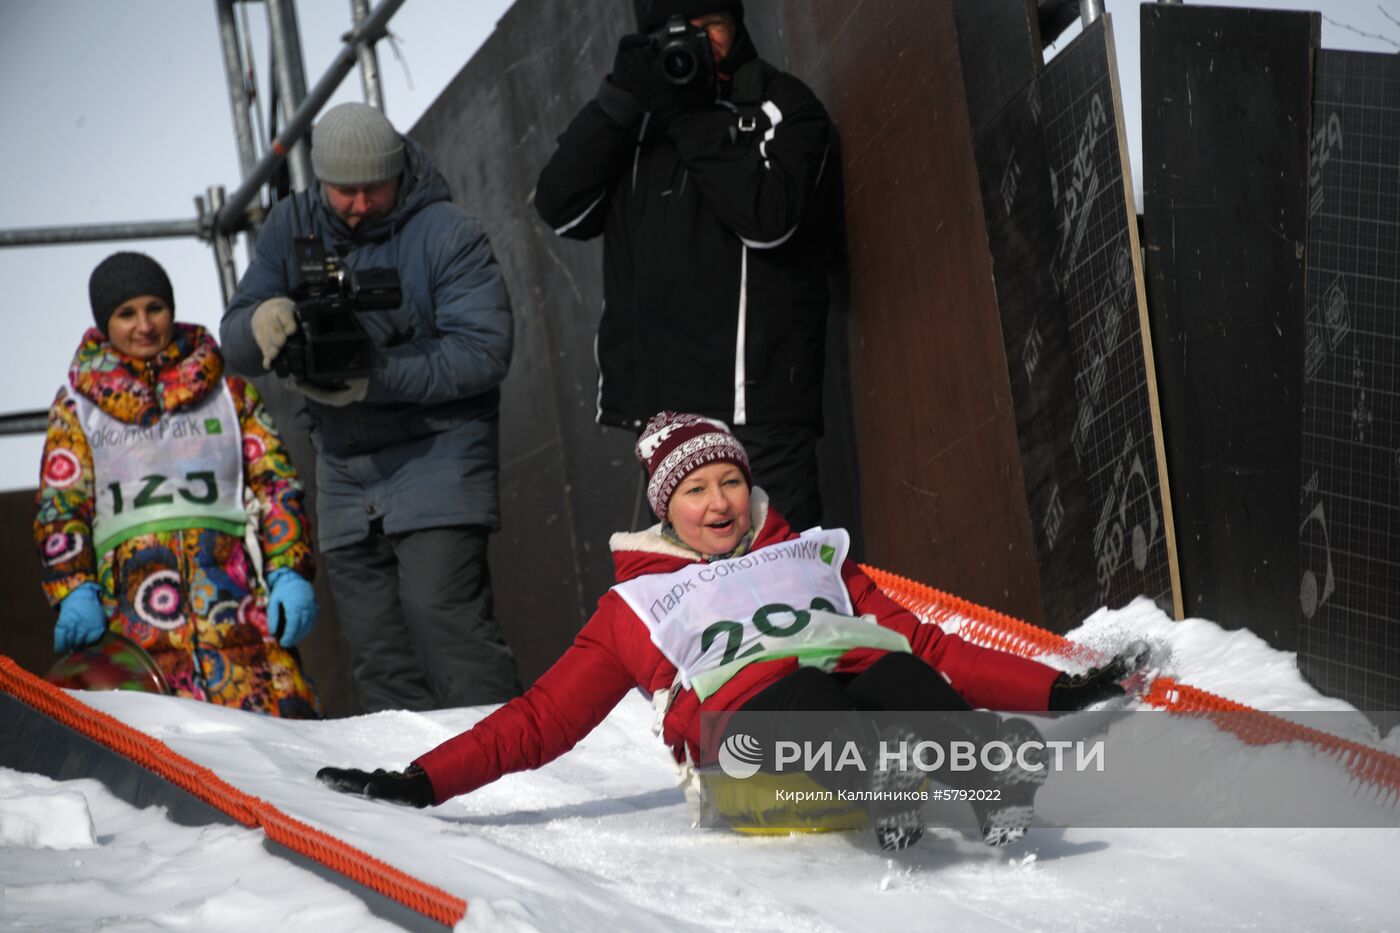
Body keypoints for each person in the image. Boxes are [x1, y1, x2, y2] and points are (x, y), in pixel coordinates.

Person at [317, 412, 1142, 850]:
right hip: (749, 764)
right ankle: (882, 782)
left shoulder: (809, 556)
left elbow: (929, 647)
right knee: (804, 687)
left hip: (854, 728)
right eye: (695, 490)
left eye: (730, 482)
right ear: (664, 509)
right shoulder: (635, 607)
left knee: (890, 670)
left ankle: (988, 780)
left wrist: (1058, 690)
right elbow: (541, 719)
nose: (719, 503)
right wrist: (422, 780)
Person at [219, 102, 521, 712]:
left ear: (400, 171)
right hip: (343, 469)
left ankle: (513, 759)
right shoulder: (289, 225)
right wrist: (260, 322)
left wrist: (371, 378)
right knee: (380, 657)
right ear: (320, 180)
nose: (360, 203)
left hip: (439, 453)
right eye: (344, 191)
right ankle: (411, 776)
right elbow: (233, 341)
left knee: (446, 624)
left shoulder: (447, 232)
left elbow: (484, 352)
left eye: (374, 188)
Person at [534, 1, 837, 531]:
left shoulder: (780, 104)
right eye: (680, 32)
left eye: (711, 25)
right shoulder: (637, 121)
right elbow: (560, 208)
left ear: (736, 25)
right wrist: (616, 100)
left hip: (756, 411)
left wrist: (686, 118)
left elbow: (769, 220)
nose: (699, 42)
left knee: (784, 577)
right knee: (686, 583)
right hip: (666, 421)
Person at [34, 251, 321, 718]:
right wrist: (74, 590)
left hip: (244, 624)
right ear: (104, 323)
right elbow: (61, 510)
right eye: (126, 314)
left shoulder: (229, 393)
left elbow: (276, 486)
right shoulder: (78, 409)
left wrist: (289, 571)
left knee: (285, 748)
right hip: (134, 636)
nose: (144, 325)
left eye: (155, 308)